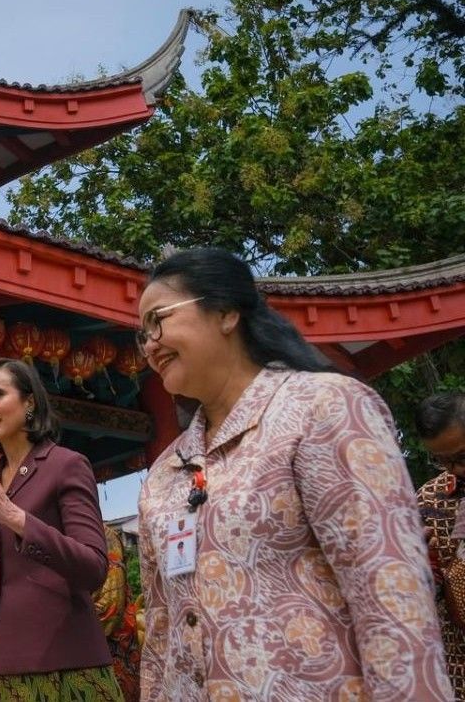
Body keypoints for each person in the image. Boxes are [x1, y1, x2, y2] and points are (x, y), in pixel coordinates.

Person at [135, 247, 451, 700]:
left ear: (226, 312)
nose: (149, 344)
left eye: (158, 320)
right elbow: (160, 629)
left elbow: (389, 596)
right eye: (141, 333)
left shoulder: (323, 408)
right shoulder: (166, 470)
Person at [0, 357, 123, 701]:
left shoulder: (66, 465)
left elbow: (93, 567)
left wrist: (14, 516)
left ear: (29, 402)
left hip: (63, 666)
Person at [415, 392, 465, 697]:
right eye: (441, 461)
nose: (454, 470)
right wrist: (420, 566)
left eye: (462, 457)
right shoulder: (428, 500)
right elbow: (424, 591)